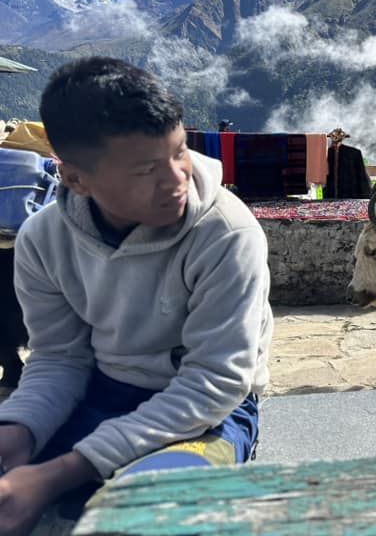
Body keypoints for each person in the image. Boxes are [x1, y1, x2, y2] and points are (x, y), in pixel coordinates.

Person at [0, 57, 273, 532]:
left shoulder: (227, 233)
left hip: (210, 414)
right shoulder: (43, 240)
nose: (176, 180)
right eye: (146, 170)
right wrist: (20, 429)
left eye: (180, 151)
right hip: (101, 391)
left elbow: (216, 382)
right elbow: (59, 358)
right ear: (75, 179)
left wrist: (61, 471)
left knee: (144, 514)